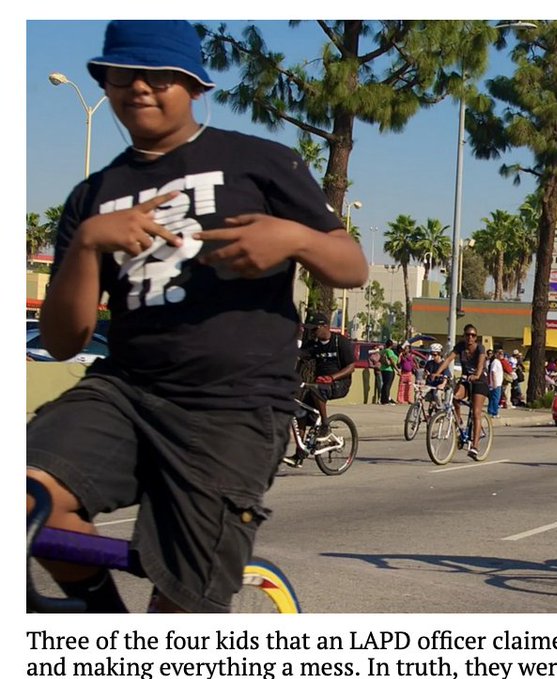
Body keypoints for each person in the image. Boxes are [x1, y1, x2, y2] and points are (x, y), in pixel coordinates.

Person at [25, 20, 367, 613]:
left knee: (182, 604)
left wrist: (291, 238)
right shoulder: (91, 197)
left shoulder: (259, 161)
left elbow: (352, 265)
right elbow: (61, 341)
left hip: (232, 409)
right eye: (124, 74)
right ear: (105, 83)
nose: (141, 87)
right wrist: (87, 245)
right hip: (124, 392)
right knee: (29, 498)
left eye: (161, 76)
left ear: (195, 87)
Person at [281, 313, 356, 467]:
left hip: (339, 383)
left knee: (318, 390)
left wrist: (332, 377)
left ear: (325, 326)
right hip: (319, 384)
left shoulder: (340, 342)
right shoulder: (314, 344)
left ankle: (325, 426)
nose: (313, 333)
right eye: (310, 330)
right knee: (300, 410)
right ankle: (299, 455)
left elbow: (351, 367)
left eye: (314, 329)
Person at [434, 324, 488, 459]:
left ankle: (474, 446)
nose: (470, 337)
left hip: (480, 381)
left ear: (476, 337)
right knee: (455, 397)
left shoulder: (480, 348)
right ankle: (460, 424)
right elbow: (448, 359)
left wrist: (477, 374)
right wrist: (437, 372)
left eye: (473, 335)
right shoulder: (460, 347)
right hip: (466, 379)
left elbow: (481, 363)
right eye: (468, 335)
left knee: (476, 413)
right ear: (463, 336)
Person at [486, 348, 504, 417]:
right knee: (496, 398)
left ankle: (490, 411)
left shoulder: (497, 362)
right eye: (500, 353)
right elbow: (493, 372)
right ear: (496, 354)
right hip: (496, 384)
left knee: (493, 398)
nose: (502, 355)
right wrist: (494, 382)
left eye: (502, 353)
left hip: (497, 383)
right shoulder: (496, 362)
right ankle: (494, 412)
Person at [379, 339, 398, 405]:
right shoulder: (389, 351)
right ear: (391, 345)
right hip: (389, 369)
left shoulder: (383, 351)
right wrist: (397, 370)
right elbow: (392, 361)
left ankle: (383, 399)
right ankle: (386, 400)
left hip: (383, 369)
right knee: (387, 385)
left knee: (385, 385)